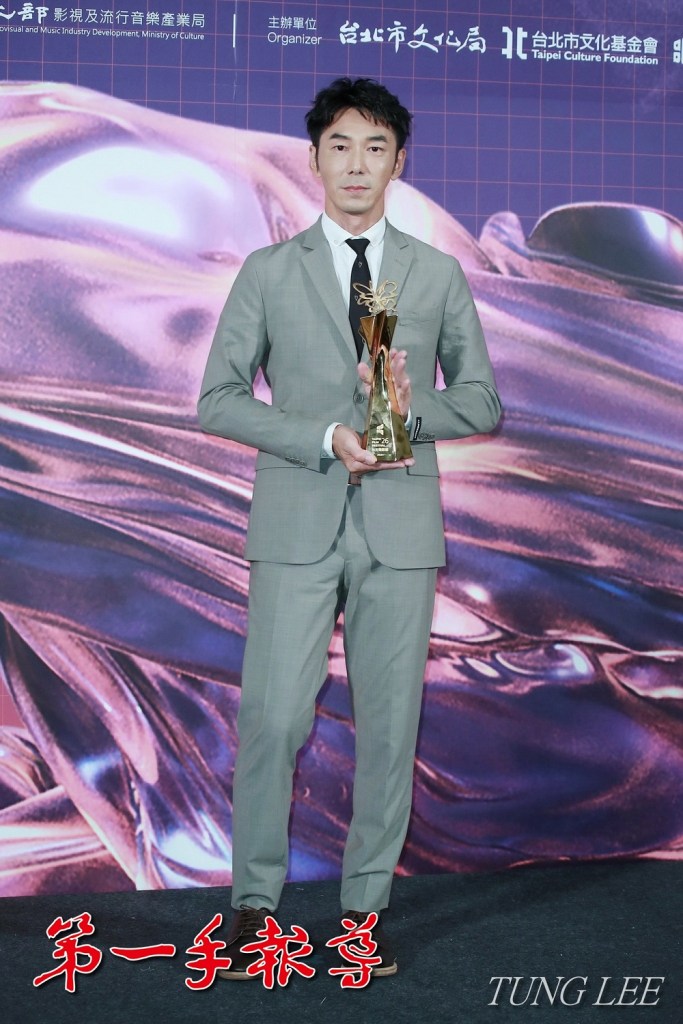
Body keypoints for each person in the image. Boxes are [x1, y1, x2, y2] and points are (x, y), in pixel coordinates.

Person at [197, 76, 501, 979]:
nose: (356, 164)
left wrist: (402, 416)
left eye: (375, 147)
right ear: (314, 158)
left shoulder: (434, 273)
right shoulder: (268, 271)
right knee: (273, 718)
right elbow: (218, 399)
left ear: (398, 161)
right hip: (297, 516)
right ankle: (253, 904)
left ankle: (363, 912)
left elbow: (481, 400)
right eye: (340, 145)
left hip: (399, 525)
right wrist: (323, 435)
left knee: (390, 728)